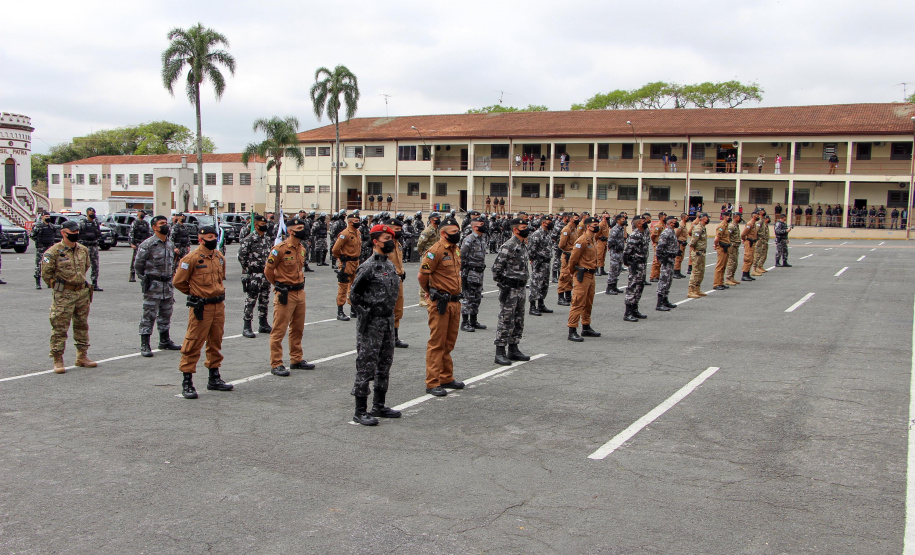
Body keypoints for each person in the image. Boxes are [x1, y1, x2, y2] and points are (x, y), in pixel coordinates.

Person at [348, 224, 403, 426]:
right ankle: (360, 410)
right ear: (375, 241)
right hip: (371, 323)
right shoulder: (368, 266)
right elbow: (354, 295)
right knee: (365, 365)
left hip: (387, 321)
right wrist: (365, 314)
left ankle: (379, 405)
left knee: (384, 364)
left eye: (392, 238)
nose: (391, 241)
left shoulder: (389, 265)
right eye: (386, 239)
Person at [172, 226, 233, 399]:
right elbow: (179, 282)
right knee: (193, 343)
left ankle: (214, 377)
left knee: (215, 342)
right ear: (200, 239)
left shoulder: (219, 257)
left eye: (214, 236)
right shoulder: (191, 258)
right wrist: (195, 293)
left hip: (218, 306)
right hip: (201, 307)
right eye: (209, 236)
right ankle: (187, 381)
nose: (212, 239)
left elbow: (220, 278)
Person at [42, 220, 97, 373]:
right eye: (71, 234)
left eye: (76, 233)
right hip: (64, 294)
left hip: (81, 293)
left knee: (82, 325)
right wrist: (61, 287)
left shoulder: (83, 250)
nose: (75, 236)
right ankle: (58, 359)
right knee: (59, 327)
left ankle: (82, 356)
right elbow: (46, 274)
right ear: (63, 233)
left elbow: (86, 266)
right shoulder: (53, 252)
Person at [418, 217, 465, 397]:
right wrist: (429, 291)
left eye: (458, 232)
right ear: (444, 234)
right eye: (454, 232)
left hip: (454, 302)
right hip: (440, 303)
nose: (457, 235)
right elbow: (422, 275)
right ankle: (432, 382)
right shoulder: (434, 251)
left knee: (449, 342)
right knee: (437, 343)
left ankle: (446, 377)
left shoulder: (455, 250)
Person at [264, 216, 315, 377]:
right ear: (290, 231)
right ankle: (277, 363)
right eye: (299, 229)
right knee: (279, 330)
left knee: (298, 328)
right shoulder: (278, 249)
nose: (303, 231)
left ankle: (296, 359)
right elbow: (268, 271)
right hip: (285, 293)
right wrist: (278, 285)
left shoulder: (301, 248)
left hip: (300, 292)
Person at [134, 215, 182, 357]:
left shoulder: (169, 244)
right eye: (161, 223)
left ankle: (165, 340)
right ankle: (145, 343)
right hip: (153, 285)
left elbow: (172, 264)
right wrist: (147, 279)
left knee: (166, 313)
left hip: (167, 285)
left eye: (166, 223)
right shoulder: (147, 244)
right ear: (154, 227)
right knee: (149, 315)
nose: (165, 225)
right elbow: (138, 266)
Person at [491, 218, 531, 364]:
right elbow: (496, 269)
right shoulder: (509, 245)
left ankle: (513, 348)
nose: (527, 229)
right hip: (510, 288)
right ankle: (500, 351)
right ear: (515, 229)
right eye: (523, 227)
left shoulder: (522, 244)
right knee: (506, 319)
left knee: (519, 319)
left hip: (521, 288)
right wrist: (504, 284)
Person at [238, 215, 273, 338]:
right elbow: (241, 255)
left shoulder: (267, 239)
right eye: (262, 224)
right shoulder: (249, 239)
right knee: (251, 300)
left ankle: (263, 323)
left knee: (264, 299)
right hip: (254, 274)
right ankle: (247, 326)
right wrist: (248, 268)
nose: (265, 226)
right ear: (256, 225)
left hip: (265, 274)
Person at [566, 217, 601, 340]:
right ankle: (572, 329)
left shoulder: (592, 240)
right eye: (595, 224)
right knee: (578, 302)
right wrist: (573, 272)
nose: (597, 226)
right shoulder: (582, 241)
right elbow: (573, 259)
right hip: (583, 275)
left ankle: (586, 326)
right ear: (588, 227)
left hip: (591, 274)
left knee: (588, 302)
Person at [332, 211, 363, 321]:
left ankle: (353, 309)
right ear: (350, 222)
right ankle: (340, 311)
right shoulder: (345, 234)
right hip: (347, 263)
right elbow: (335, 249)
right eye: (355, 221)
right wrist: (341, 257)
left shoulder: (358, 233)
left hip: (356, 262)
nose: (358, 223)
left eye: (358, 221)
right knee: (343, 287)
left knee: (354, 286)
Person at [459, 217, 488, 332]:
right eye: (482, 224)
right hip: (470, 272)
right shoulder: (469, 239)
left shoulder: (482, 238)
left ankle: (473, 320)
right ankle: (465, 322)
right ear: (475, 227)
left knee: (477, 297)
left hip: (480, 272)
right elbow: (462, 256)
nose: (484, 225)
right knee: (468, 298)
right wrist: (464, 272)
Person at [622, 215, 650, 322]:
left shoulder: (644, 233)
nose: (645, 222)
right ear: (638, 224)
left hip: (642, 264)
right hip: (635, 264)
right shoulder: (635, 235)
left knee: (640, 286)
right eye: (643, 221)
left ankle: (634, 309)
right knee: (633, 286)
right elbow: (627, 251)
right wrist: (628, 263)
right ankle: (628, 312)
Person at [527, 214, 553, 316]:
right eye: (549, 223)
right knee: (535, 284)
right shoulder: (537, 234)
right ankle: (532, 306)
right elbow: (531, 249)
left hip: (546, 262)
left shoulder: (547, 233)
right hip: (539, 262)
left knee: (544, 284)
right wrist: (534, 260)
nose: (551, 224)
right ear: (543, 223)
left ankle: (541, 304)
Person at [416, 211, 441, 307]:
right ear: (431, 220)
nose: (438, 220)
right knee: (425, 275)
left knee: (433, 277)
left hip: (435, 256)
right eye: (436, 219)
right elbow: (420, 244)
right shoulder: (427, 231)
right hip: (428, 256)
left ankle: (430, 296)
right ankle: (422, 298)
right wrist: (422, 253)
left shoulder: (437, 230)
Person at [655, 216, 680, 311]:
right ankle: (660, 302)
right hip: (666, 259)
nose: (676, 223)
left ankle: (665, 300)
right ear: (670, 223)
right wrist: (661, 257)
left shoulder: (672, 231)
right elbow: (660, 246)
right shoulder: (666, 232)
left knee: (669, 280)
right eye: (674, 222)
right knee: (664, 280)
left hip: (671, 259)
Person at [557, 213, 580, 307]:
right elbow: (561, 245)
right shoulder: (566, 229)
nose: (578, 219)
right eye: (576, 218)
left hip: (573, 255)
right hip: (567, 255)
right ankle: (561, 296)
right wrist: (568, 251)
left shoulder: (574, 229)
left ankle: (568, 295)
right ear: (571, 219)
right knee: (564, 275)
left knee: (570, 276)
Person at [79, 207, 104, 291]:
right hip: (85, 246)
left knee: (95, 265)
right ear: (87, 213)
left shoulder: (95, 223)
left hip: (94, 246)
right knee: (83, 265)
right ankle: (81, 283)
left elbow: (98, 234)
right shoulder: (82, 223)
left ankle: (94, 283)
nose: (92, 214)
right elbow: (79, 235)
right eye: (91, 213)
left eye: (93, 212)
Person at [30, 212, 56, 289]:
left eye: (48, 216)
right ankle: (38, 283)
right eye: (46, 216)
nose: (48, 217)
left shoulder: (51, 226)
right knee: (39, 265)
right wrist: (38, 241)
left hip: (49, 248)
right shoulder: (38, 226)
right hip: (41, 248)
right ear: (42, 217)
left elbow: (53, 235)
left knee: (48, 265)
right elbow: (32, 235)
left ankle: (49, 281)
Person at [687, 213, 710, 299]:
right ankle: (691, 290)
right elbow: (694, 240)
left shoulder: (703, 228)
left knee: (701, 271)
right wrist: (693, 247)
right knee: (695, 271)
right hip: (697, 252)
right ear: (703, 219)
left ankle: (697, 289)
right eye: (707, 218)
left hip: (702, 252)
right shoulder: (698, 228)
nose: (708, 220)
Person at [605, 213, 627, 295]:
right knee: (613, 270)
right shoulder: (615, 229)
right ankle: (609, 287)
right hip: (615, 252)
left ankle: (614, 286)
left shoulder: (621, 229)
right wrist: (614, 247)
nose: (624, 221)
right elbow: (610, 241)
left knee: (618, 269)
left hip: (620, 252)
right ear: (618, 220)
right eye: (622, 219)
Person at [129, 210, 152, 282]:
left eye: (144, 214)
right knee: (135, 259)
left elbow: (148, 233)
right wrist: (132, 243)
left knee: (146, 259)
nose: (143, 215)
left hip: (144, 243)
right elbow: (131, 233)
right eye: (141, 214)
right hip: (137, 243)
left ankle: (144, 274)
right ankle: (132, 274)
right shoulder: (135, 223)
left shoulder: (145, 223)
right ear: (138, 214)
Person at [712, 211, 732, 291]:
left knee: (723, 266)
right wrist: (716, 245)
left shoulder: (726, 225)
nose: (729, 218)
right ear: (724, 217)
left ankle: (721, 282)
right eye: (728, 216)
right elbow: (717, 238)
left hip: (726, 247)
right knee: (720, 266)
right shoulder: (721, 226)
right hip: (721, 247)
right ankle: (716, 283)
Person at [740, 211, 759, 282]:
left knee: (751, 258)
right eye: (757, 215)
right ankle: (744, 274)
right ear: (754, 216)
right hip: (749, 242)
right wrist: (744, 240)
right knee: (747, 258)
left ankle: (747, 273)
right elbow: (743, 234)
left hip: (753, 242)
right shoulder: (750, 224)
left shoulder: (754, 224)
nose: (758, 217)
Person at [724, 212, 742, 287]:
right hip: (732, 246)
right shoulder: (731, 226)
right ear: (736, 217)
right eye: (739, 217)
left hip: (736, 246)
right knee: (731, 262)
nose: (741, 218)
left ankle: (732, 277)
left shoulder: (736, 225)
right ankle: (728, 278)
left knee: (735, 262)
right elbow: (727, 236)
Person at [673, 212, 689, 279]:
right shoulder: (681, 224)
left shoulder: (684, 224)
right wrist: (677, 242)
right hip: (680, 243)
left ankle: (678, 271)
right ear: (683, 218)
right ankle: (675, 271)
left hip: (683, 243)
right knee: (678, 258)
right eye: (686, 217)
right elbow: (676, 233)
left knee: (681, 258)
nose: (687, 218)